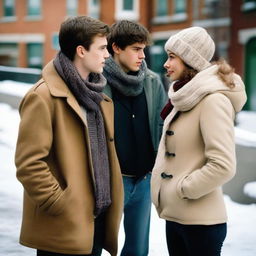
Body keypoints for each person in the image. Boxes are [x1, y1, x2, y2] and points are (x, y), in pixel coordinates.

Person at [15, 16, 123, 256]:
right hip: (63, 226)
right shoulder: (42, 97)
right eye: (102, 48)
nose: (108, 55)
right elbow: (29, 164)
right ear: (81, 50)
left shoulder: (98, 96)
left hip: (96, 221)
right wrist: (61, 203)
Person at [151, 26, 247, 256]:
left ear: (190, 59)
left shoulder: (213, 101)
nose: (166, 63)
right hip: (176, 218)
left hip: (200, 224)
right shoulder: (184, 96)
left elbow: (223, 164)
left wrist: (182, 189)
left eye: (172, 57)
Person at [103, 20, 166, 256]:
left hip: (144, 181)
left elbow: (161, 127)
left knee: (138, 250)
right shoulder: (98, 81)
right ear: (117, 48)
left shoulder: (151, 81)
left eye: (143, 49)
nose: (142, 55)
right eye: (136, 49)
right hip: (112, 181)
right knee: (97, 244)